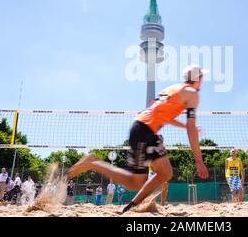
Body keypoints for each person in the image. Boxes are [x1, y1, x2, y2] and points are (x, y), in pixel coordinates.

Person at [68, 65, 210, 213]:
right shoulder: (192, 93)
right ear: (197, 79)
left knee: (165, 173)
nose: (202, 81)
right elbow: (190, 128)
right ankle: (93, 163)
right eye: (202, 78)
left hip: (147, 130)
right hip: (143, 130)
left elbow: (165, 116)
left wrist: (185, 126)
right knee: (134, 182)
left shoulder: (173, 89)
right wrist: (199, 161)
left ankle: (133, 204)